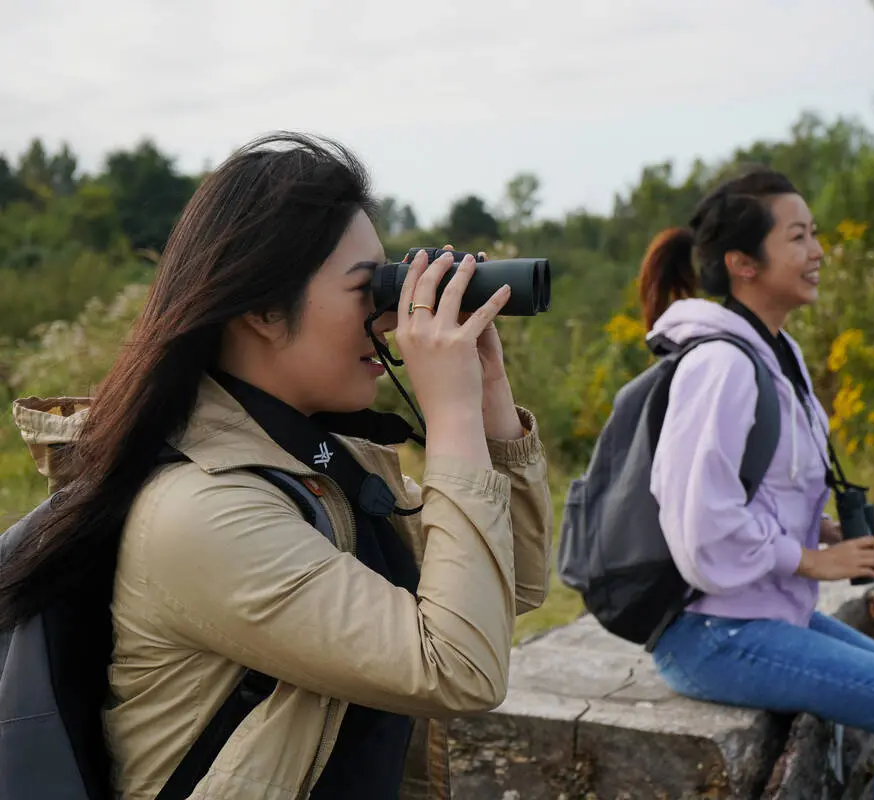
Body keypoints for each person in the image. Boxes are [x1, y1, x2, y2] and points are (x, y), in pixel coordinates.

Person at [0, 132, 554, 799]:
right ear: (263, 309)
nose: (388, 316)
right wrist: (451, 418)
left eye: (391, 284)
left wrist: (489, 402)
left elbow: (508, 587)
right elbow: (460, 668)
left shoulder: (323, 462)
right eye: (366, 289)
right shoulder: (202, 509)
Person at [637, 166, 874, 799]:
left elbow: (752, 490)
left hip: (762, 616)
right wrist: (812, 559)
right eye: (797, 237)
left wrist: (817, 525)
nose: (818, 252)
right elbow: (699, 528)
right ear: (743, 263)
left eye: (813, 234)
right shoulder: (720, 366)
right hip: (713, 632)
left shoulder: (776, 354)